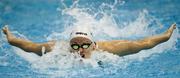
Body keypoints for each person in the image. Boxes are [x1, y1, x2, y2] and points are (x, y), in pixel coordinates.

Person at [2, 23, 176, 58]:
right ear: (69, 44)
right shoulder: (56, 48)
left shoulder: (112, 49)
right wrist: (10, 38)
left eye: (85, 45)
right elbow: (29, 46)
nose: (80, 50)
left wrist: (165, 36)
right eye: (75, 45)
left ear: (93, 44)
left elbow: (143, 44)